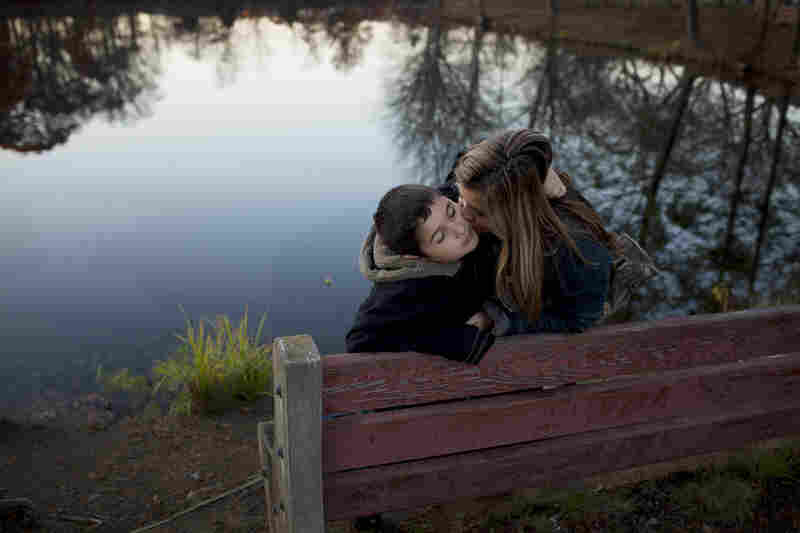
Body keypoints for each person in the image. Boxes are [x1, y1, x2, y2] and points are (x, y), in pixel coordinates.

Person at [451, 128, 625, 335]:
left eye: (479, 213)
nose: (462, 214)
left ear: (518, 215)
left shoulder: (577, 253)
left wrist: (497, 320)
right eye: (461, 198)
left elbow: (576, 321)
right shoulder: (488, 181)